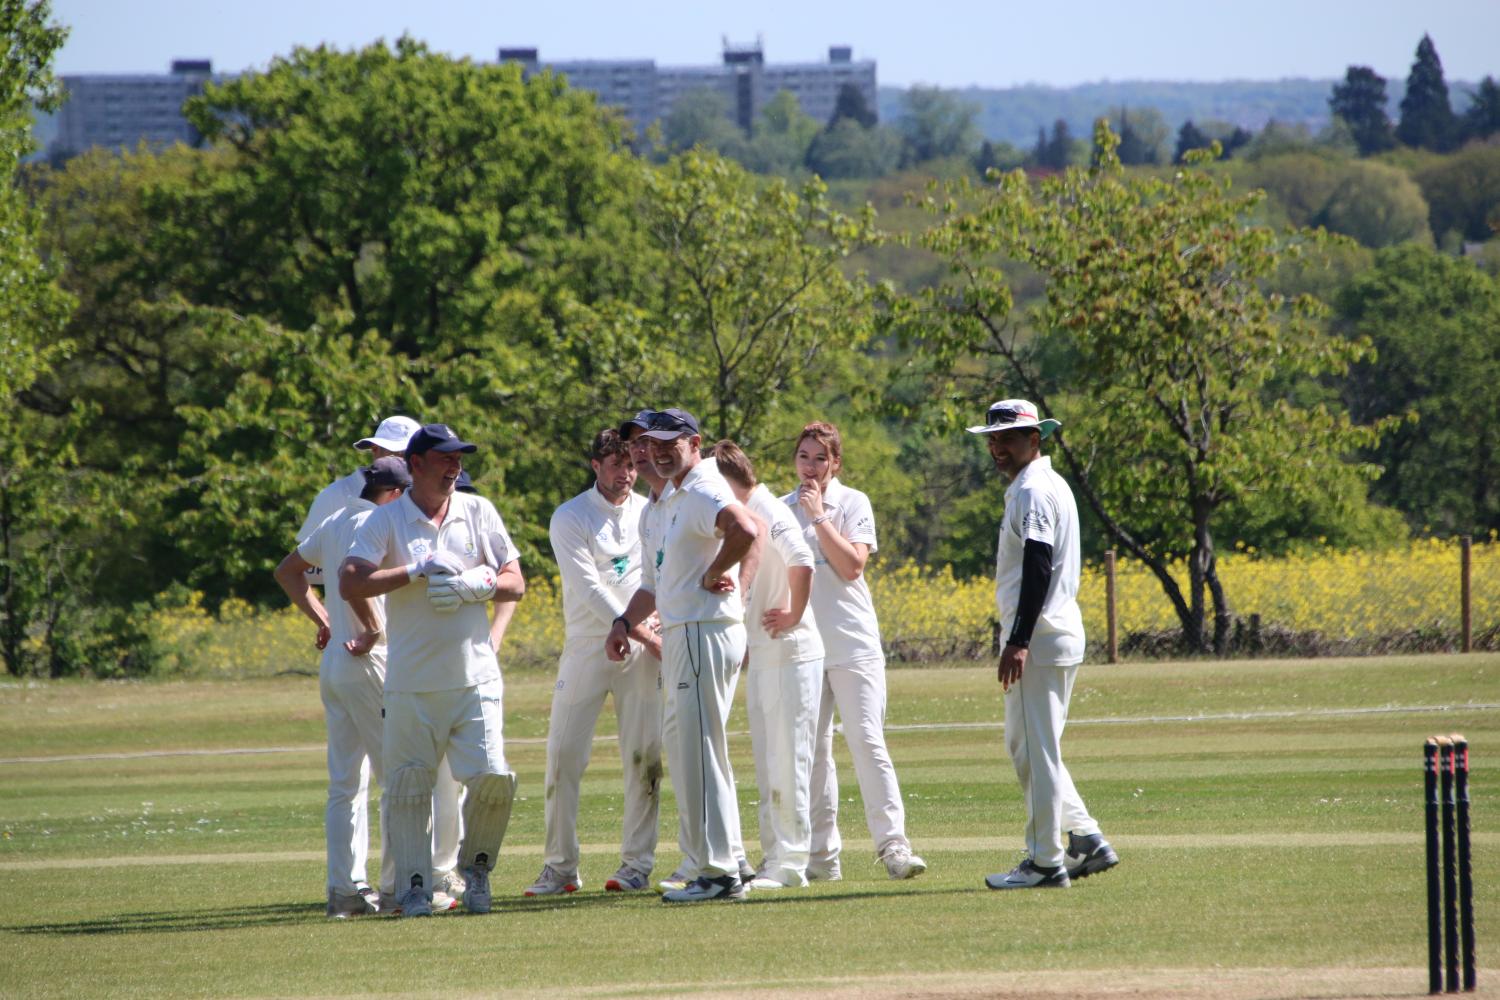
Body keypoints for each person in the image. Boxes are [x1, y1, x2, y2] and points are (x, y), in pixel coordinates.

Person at [340, 423, 525, 917]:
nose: (454, 467)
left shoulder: (478, 510)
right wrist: (413, 572)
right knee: (407, 785)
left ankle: (477, 873)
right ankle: (415, 886)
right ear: (415, 465)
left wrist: (478, 583)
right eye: (444, 458)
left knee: (492, 780)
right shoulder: (388, 520)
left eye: (458, 458)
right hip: (412, 684)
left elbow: (516, 580)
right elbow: (350, 581)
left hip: (475, 677)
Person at [606, 408, 759, 903]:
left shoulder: (702, 489)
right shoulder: (662, 505)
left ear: (694, 443)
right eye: (650, 442)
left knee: (697, 750)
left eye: (669, 442)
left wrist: (715, 571)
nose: (657, 450)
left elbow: (745, 529)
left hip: (701, 631)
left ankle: (717, 875)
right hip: (684, 633)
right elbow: (653, 584)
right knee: (698, 748)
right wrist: (624, 623)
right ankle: (729, 859)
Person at [967, 399, 1117, 890]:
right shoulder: (1044, 484)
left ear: (1036, 439)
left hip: (1043, 636)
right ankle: (1087, 836)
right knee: (1031, 748)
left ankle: (1045, 862)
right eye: (992, 438)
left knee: (1036, 750)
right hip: (1054, 633)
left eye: (1008, 438)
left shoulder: (1033, 489)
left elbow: (1037, 562)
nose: (997, 447)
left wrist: (1018, 639)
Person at [524, 428, 663, 897]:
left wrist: (645, 632)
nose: (626, 474)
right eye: (615, 464)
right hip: (589, 642)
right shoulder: (571, 516)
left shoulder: (650, 511)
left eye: (630, 464)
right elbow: (588, 586)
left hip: (640, 647)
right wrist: (630, 628)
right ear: (595, 466)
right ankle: (560, 867)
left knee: (644, 756)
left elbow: (658, 575)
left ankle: (636, 865)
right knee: (563, 756)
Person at [784, 421, 926, 881]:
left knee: (866, 740)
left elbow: (852, 565)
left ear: (835, 463)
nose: (811, 466)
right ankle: (822, 860)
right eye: (804, 456)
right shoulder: (783, 508)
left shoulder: (852, 502)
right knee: (812, 751)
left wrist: (820, 516)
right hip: (804, 647)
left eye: (820, 458)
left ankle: (894, 847)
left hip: (853, 643)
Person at [274, 456, 411, 917]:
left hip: (335, 662)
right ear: (394, 493)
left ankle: (345, 892)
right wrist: (370, 629)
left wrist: (325, 620)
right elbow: (354, 584)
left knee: (345, 785)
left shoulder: (336, 516)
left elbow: (288, 571)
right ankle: (395, 890)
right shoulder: (381, 521)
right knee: (395, 776)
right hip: (368, 659)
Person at [712, 441, 824, 890]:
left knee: (788, 761)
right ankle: (775, 857)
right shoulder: (754, 508)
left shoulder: (766, 509)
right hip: (768, 653)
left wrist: (795, 614)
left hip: (793, 653)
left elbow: (802, 559)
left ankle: (792, 863)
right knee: (767, 760)